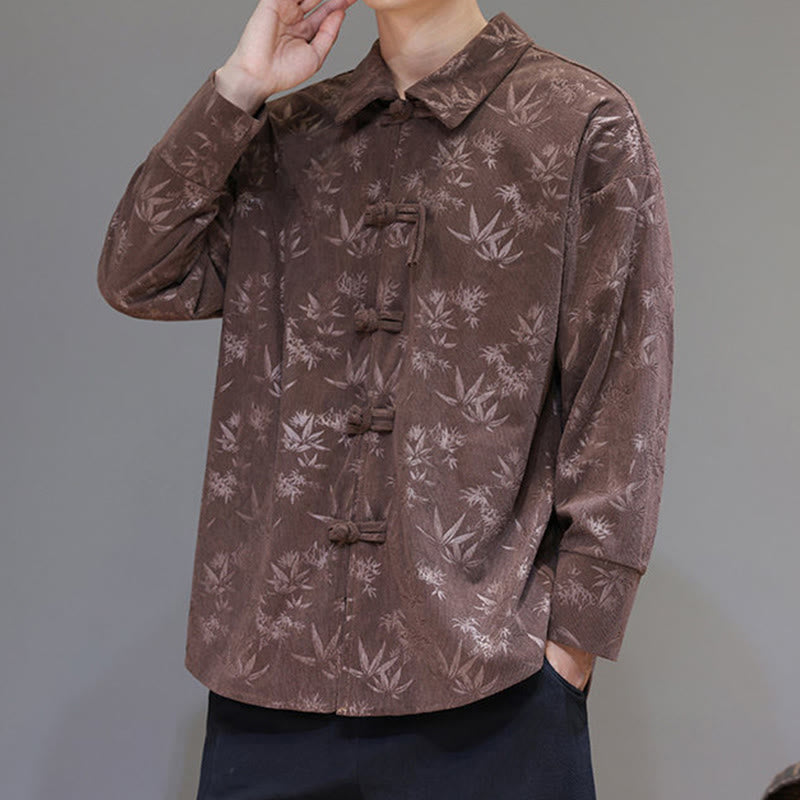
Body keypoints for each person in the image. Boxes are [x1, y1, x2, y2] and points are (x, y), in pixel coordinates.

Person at [96, 0, 675, 797]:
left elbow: (622, 398)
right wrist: (242, 85)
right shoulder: (291, 134)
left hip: (490, 693)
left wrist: (571, 651)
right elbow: (138, 272)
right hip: (269, 686)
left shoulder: (578, 123)